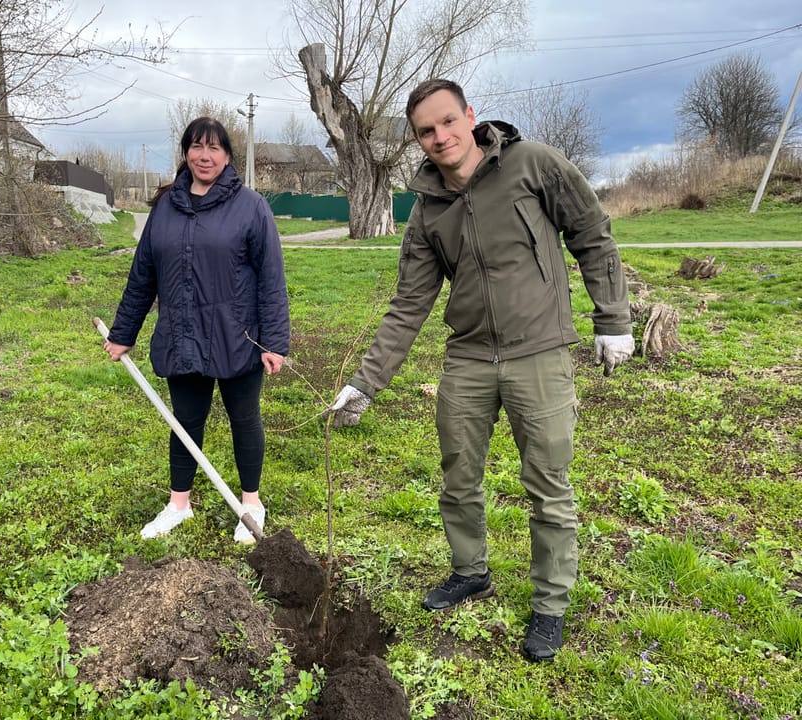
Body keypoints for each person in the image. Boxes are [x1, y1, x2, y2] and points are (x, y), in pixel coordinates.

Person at [331, 79, 633, 661]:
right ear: (417, 140)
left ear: (470, 116)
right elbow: (409, 304)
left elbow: (592, 235)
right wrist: (365, 382)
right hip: (468, 357)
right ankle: (471, 572)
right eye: (426, 131)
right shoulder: (427, 210)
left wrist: (613, 319)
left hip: (539, 352)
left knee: (548, 485)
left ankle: (550, 605)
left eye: (448, 121)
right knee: (458, 477)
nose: (440, 136)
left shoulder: (533, 164)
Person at [104, 116, 289, 544]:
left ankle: (251, 503)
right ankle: (179, 505)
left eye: (214, 148)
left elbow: (271, 279)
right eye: (197, 147)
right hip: (181, 334)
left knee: (244, 419)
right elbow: (143, 275)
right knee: (184, 421)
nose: (205, 156)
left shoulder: (251, 206)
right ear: (186, 152)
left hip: (237, 337)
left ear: (227, 156)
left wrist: (274, 342)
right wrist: (123, 332)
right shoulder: (166, 208)